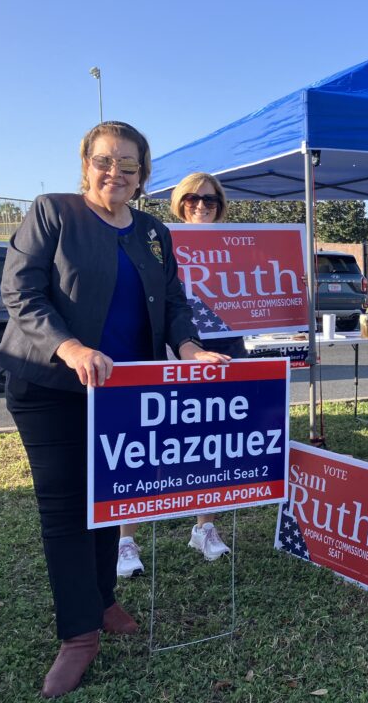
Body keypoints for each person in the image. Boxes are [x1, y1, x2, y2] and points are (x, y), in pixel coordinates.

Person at [0, 122, 230, 698]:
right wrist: (70, 347)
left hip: (125, 394)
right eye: (105, 161)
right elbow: (22, 293)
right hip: (51, 386)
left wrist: (191, 346)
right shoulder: (53, 212)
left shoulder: (153, 232)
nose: (115, 173)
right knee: (67, 511)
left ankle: (103, 601)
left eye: (128, 164)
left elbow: (173, 301)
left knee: (109, 502)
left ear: (143, 175)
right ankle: (79, 636)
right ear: (86, 164)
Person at [116, 172, 241, 577]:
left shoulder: (240, 245)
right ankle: (125, 540)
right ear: (178, 202)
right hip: (165, 351)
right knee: (146, 445)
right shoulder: (155, 242)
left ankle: (204, 528)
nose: (201, 205)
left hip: (222, 352)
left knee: (210, 445)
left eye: (210, 199)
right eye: (191, 198)